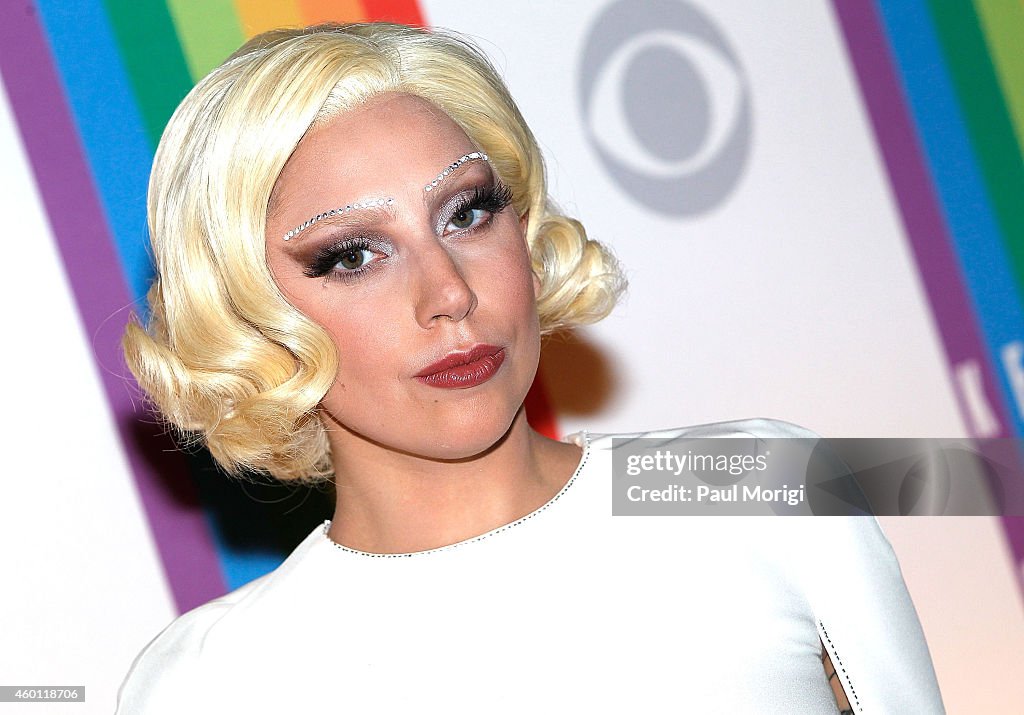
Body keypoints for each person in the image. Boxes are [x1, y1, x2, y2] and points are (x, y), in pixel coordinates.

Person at [116, 22, 944, 713]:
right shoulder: (210, 682)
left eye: (467, 212)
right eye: (352, 255)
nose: (447, 291)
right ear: (251, 315)